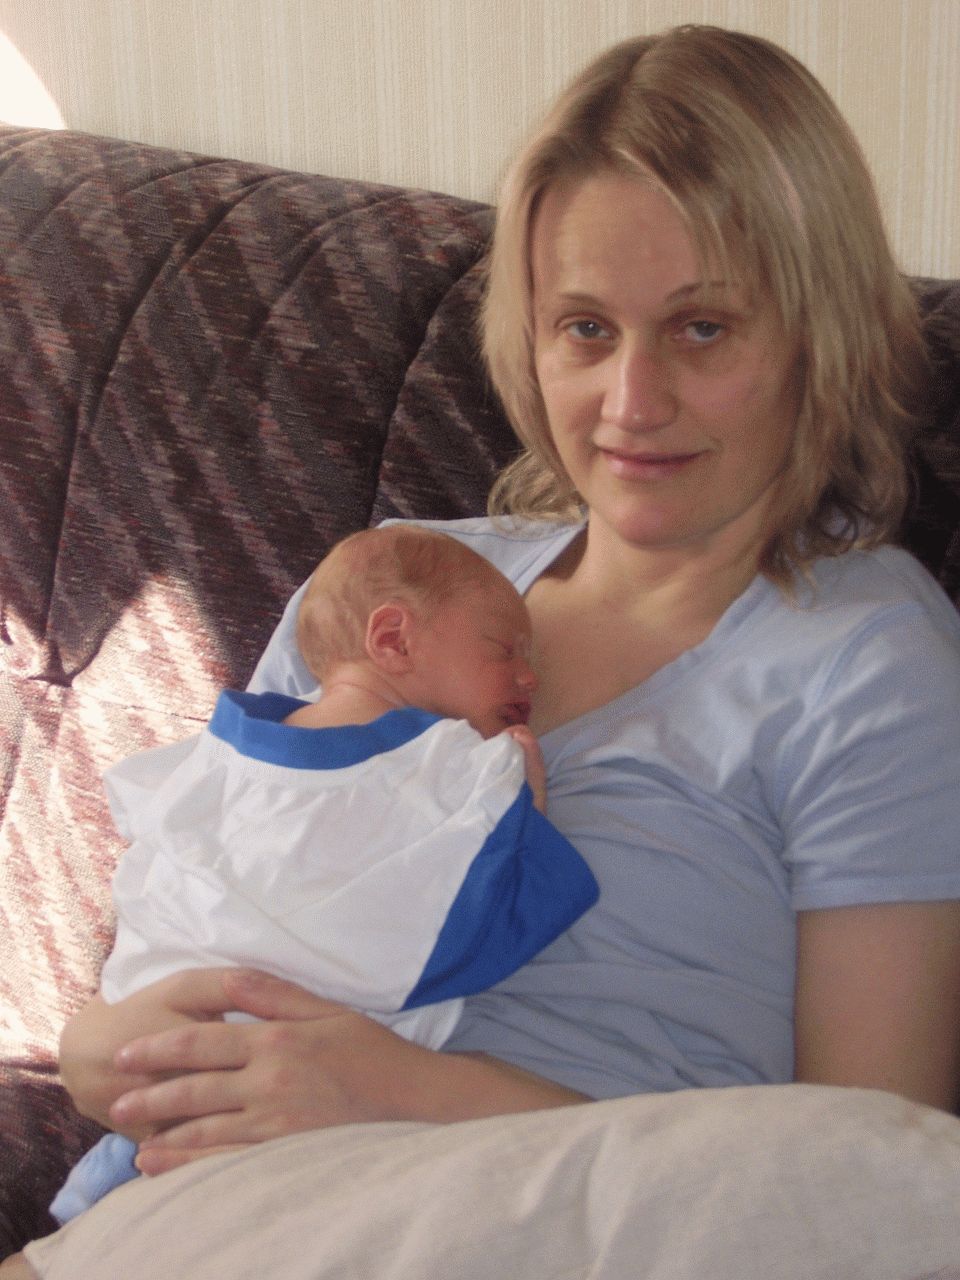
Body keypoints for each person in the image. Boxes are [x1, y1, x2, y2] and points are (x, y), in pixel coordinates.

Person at [51, 19, 960, 1185]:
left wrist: (394, 1091)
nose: (632, 401)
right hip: (198, 1201)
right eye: (586, 328)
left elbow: (870, 1176)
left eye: (702, 327)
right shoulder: (394, 586)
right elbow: (193, 912)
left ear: (818, 335)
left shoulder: (870, 663)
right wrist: (102, 1053)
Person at [46, 525, 598, 1224]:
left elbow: (149, 876)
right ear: (392, 639)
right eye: (505, 649)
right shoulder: (454, 768)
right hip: (282, 1134)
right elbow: (492, 928)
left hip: (143, 1103)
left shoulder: (214, 755)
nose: (528, 676)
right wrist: (524, 808)